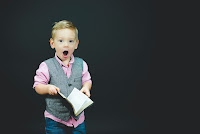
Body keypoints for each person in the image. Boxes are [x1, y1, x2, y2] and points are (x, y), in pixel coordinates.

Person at [33, 20, 92, 134]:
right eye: (61, 41)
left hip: (78, 119)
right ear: (52, 43)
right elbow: (37, 86)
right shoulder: (46, 65)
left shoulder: (82, 64)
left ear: (76, 44)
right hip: (55, 119)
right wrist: (47, 88)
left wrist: (86, 87)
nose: (66, 45)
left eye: (70, 41)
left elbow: (87, 80)